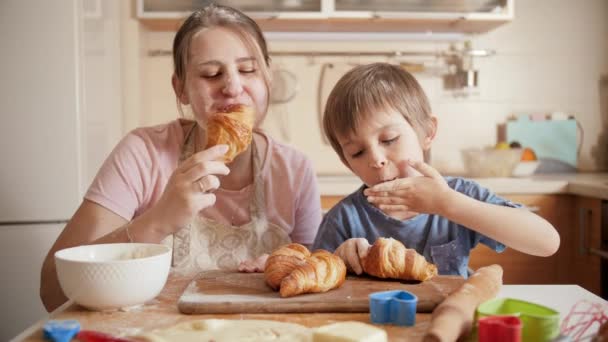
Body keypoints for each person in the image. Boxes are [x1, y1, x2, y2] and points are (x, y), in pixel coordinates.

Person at [40, 4, 322, 312]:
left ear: (267, 79)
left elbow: (316, 288)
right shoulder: (143, 153)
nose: (232, 86)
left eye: (247, 70)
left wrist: (285, 271)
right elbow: (53, 288)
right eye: (211, 74)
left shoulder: (294, 170)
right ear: (181, 88)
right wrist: (157, 221)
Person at [312, 62, 560, 278]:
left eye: (389, 139)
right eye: (357, 152)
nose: (376, 159)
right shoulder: (344, 219)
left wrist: (447, 203)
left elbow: (547, 242)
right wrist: (339, 261)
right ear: (347, 162)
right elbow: (319, 286)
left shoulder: (458, 194)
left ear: (428, 133)